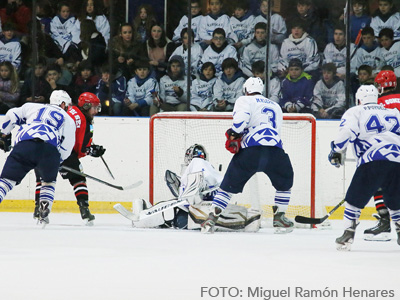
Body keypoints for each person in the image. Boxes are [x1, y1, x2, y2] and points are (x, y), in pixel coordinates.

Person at [201, 77, 295, 234]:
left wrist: (234, 134)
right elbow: (276, 130)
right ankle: (279, 217)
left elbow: (240, 121)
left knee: (228, 185)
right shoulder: (276, 106)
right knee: (285, 182)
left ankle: (212, 217)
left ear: (246, 89)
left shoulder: (244, 100)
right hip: (275, 151)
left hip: (251, 150)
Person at [330, 85, 400, 251]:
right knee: (396, 201)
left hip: (372, 159)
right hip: (397, 159)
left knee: (354, 200)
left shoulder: (356, 111)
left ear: (359, 99)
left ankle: (348, 233)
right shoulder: (394, 112)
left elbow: (347, 131)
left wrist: (336, 150)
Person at [127, 144, 260, 231]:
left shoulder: (197, 163)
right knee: (173, 208)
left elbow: (192, 194)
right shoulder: (207, 167)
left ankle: (142, 215)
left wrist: (196, 191)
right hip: (203, 214)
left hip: (191, 214)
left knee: (169, 208)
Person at [0, 90, 76, 225]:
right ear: (63, 104)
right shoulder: (68, 119)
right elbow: (67, 146)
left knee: (6, 181)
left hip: (25, 145)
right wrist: (59, 161)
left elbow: (11, 115)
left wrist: (4, 134)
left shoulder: (32, 106)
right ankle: (44, 213)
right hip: (49, 150)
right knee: (48, 182)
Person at [34, 92, 105, 225]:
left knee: (43, 179)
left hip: (42, 147)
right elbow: (80, 148)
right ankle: (85, 211)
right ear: (85, 106)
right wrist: (91, 150)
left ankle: (38, 210)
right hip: (63, 152)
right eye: (94, 107)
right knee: (78, 179)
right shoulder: (83, 120)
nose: (96, 111)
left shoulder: (70, 111)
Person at [360, 70, 400, 241]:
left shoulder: (378, 103)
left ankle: (384, 222)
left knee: (379, 182)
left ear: (381, 87)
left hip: (389, 150)